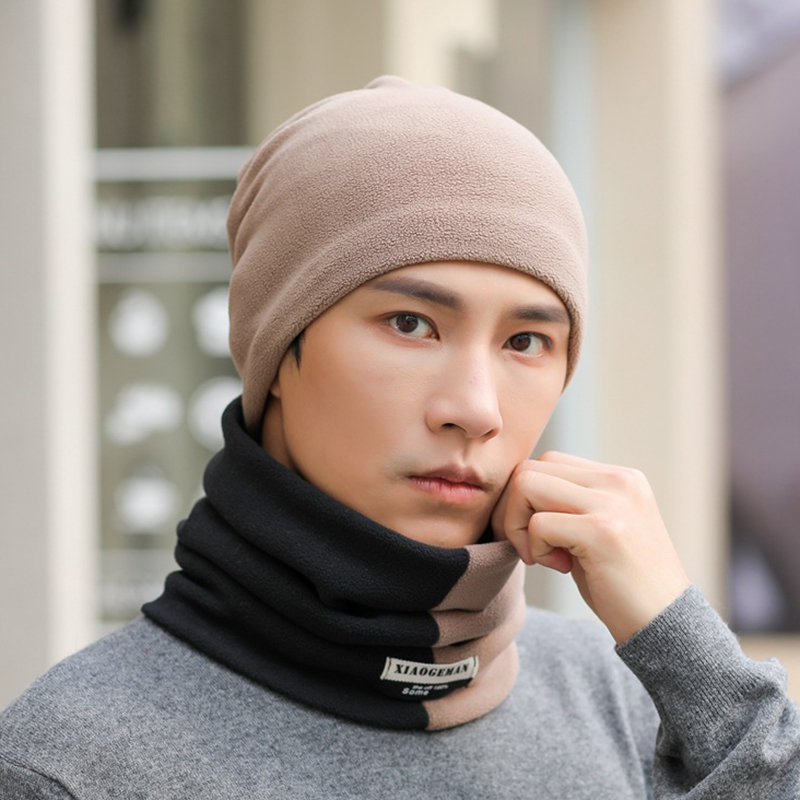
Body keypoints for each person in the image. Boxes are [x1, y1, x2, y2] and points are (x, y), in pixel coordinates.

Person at [1, 75, 798, 800]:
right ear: (277, 349)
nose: (475, 409)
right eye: (410, 323)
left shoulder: (623, 702)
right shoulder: (72, 763)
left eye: (526, 341)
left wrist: (687, 649)